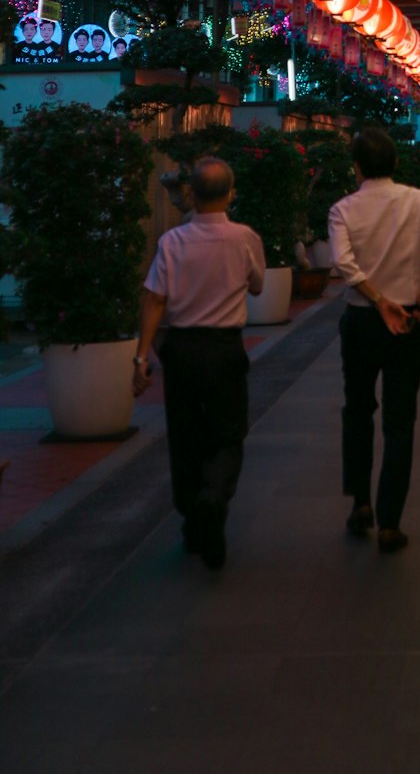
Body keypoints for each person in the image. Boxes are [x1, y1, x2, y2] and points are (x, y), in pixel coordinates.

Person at [132, 157, 265, 570]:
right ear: (231, 193)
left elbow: (155, 298)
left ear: (190, 194)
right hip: (225, 348)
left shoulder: (172, 242)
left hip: (182, 349)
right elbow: (258, 286)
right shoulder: (245, 238)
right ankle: (213, 498)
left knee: (185, 436)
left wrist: (142, 355)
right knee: (228, 434)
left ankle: (193, 516)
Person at [329, 127, 420, 554]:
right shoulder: (417, 199)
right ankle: (390, 523)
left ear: (357, 167)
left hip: (362, 321)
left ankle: (361, 503)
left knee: (358, 410)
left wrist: (377, 299)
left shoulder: (342, 209)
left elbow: (343, 263)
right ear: (396, 164)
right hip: (408, 320)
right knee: (400, 421)